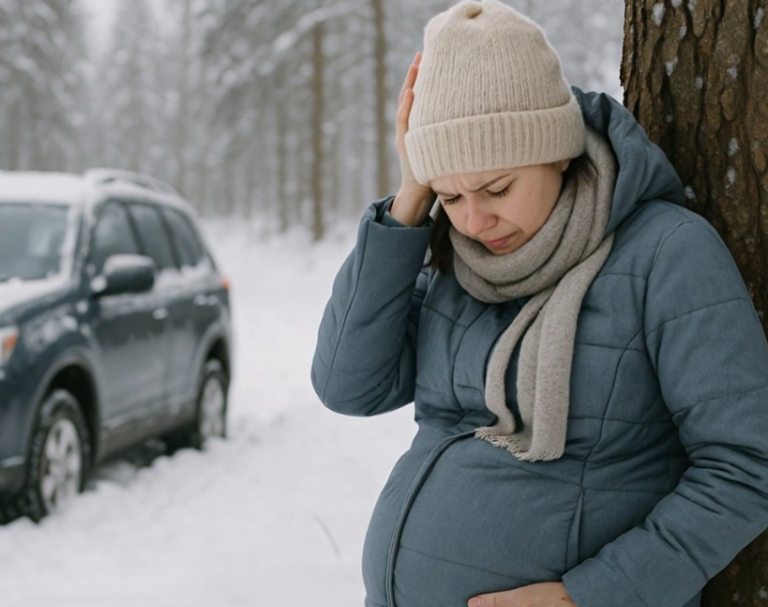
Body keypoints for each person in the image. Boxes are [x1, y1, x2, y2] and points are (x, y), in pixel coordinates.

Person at [311, 1, 768, 606]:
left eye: (497, 188)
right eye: (450, 195)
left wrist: (592, 597)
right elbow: (349, 386)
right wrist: (411, 203)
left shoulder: (665, 255)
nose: (475, 219)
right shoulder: (456, 259)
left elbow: (747, 463)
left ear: (556, 149)